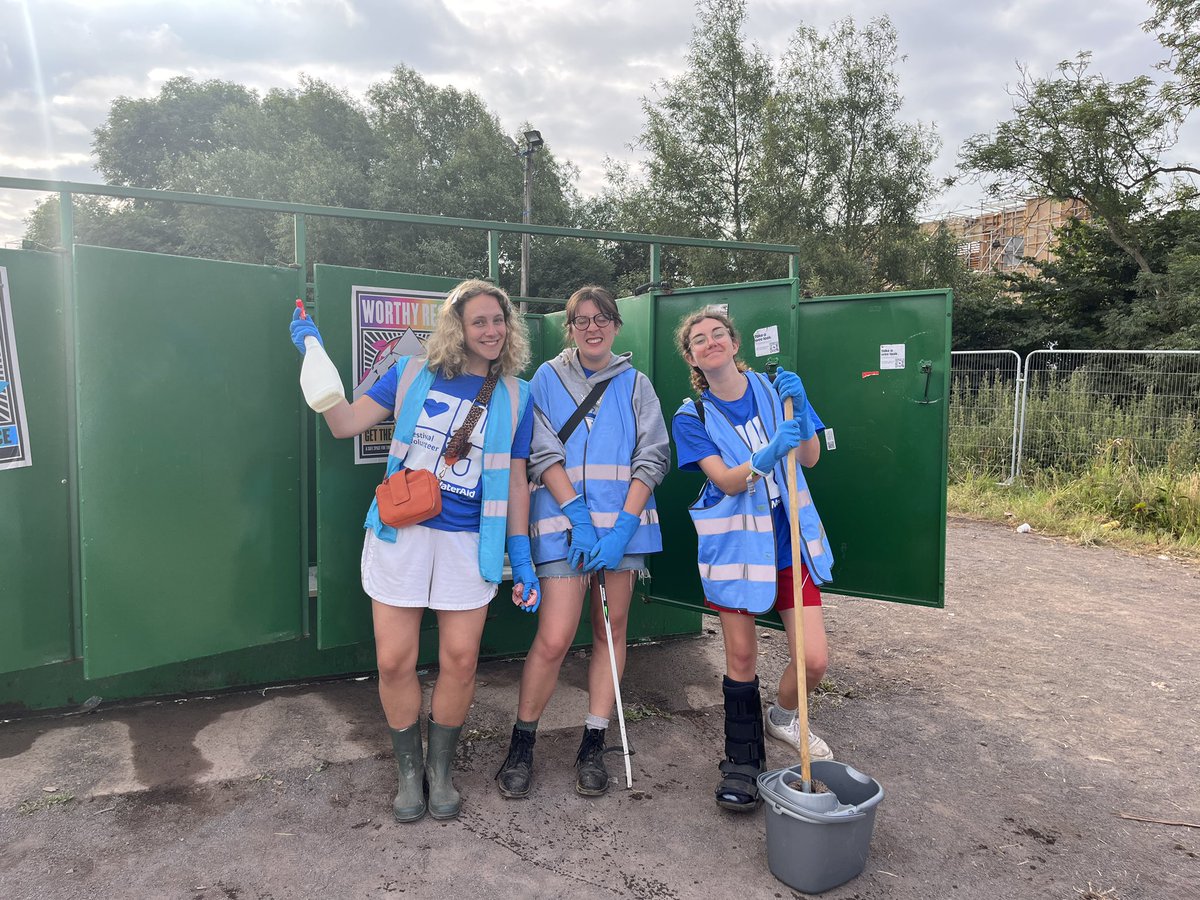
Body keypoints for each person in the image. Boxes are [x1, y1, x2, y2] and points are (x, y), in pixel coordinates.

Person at [288, 279, 539, 823]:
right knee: (395, 660)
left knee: (460, 659)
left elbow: (517, 480)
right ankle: (408, 772)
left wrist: (521, 558)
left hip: (469, 542)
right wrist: (315, 356)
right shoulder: (409, 374)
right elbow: (343, 423)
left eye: (498, 320)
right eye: (479, 322)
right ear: (457, 327)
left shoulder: (519, 394)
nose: (491, 331)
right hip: (401, 533)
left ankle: (440, 771)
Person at [495, 285, 669, 799]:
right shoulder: (545, 378)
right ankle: (521, 743)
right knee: (553, 638)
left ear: (616, 325)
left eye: (602, 318)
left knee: (610, 631)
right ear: (569, 328)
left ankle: (594, 742)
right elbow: (542, 449)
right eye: (581, 320)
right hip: (561, 532)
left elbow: (652, 456)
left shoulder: (637, 384)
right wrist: (579, 517)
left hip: (622, 533)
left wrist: (619, 531)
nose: (592, 328)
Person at [670, 308, 835, 812]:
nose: (711, 341)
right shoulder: (690, 415)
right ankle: (741, 761)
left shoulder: (777, 390)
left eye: (718, 333)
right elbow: (724, 480)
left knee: (814, 660)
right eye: (700, 339)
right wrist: (766, 455)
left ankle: (784, 717)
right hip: (738, 551)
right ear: (692, 356)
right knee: (741, 658)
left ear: (734, 342)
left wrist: (802, 411)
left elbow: (809, 457)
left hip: (790, 545)